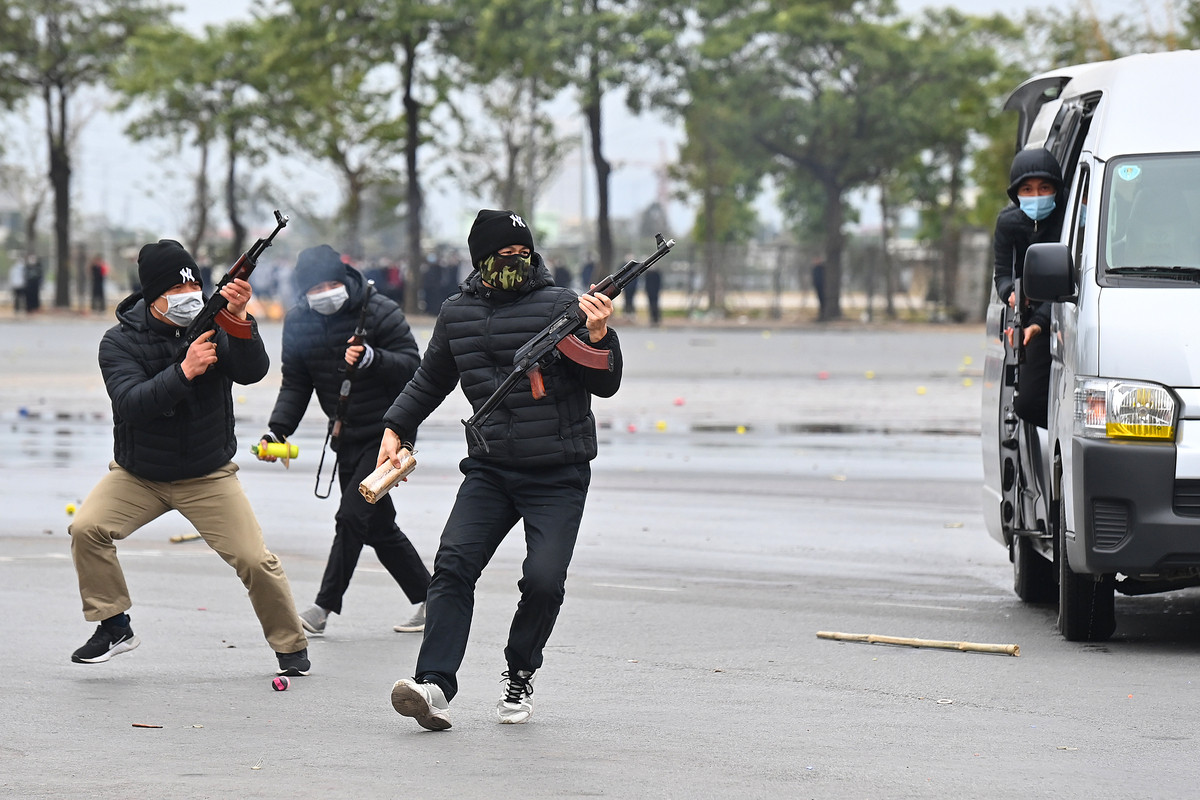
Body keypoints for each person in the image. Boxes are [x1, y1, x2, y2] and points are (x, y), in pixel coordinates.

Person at [380, 209, 621, 729]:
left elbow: (605, 384)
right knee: (452, 565)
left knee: (543, 582)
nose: (516, 261)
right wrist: (396, 427)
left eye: (523, 253)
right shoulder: (456, 313)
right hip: (490, 469)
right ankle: (433, 684)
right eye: (504, 254)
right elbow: (429, 379)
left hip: (558, 471)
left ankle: (519, 672)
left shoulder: (562, 305)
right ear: (481, 260)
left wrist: (600, 335)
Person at [67, 239, 311, 677]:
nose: (189, 297)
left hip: (207, 473)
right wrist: (184, 371)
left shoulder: (217, 323)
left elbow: (252, 371)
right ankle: (114, 625)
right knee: (87, 528)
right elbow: (131, 404)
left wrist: (240, 319)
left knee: (255, 560)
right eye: (176, 291)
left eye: (194, 287)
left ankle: (291, 647)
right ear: (152, 297)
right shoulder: (119, 342)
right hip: (139, 474)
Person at [258, 244, 431, 636]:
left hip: (389, 435)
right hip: (346, 434)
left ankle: (322, 608)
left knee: (352, 517)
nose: (325, 293)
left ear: (344, 279)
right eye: (315, 288)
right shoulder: (298, 321)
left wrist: (373, 358)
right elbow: (296, 383)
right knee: (377, 527)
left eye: (331, 284)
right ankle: (433, 597)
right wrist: (278, 430)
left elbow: (415, 368)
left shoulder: (379, 310)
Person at [992, 147, 1066, 429]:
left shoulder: (1072, 216)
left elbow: (1072, 277)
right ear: (1016, 193)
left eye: (1044, 188)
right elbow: (1002, 274)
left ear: (1056, 189)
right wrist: (1011, 295)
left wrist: (1040, 322)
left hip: (1067, 307)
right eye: (1027, 189)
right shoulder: (1008, 222)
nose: (1036, 196)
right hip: (1031, 314)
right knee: (1028, 402)